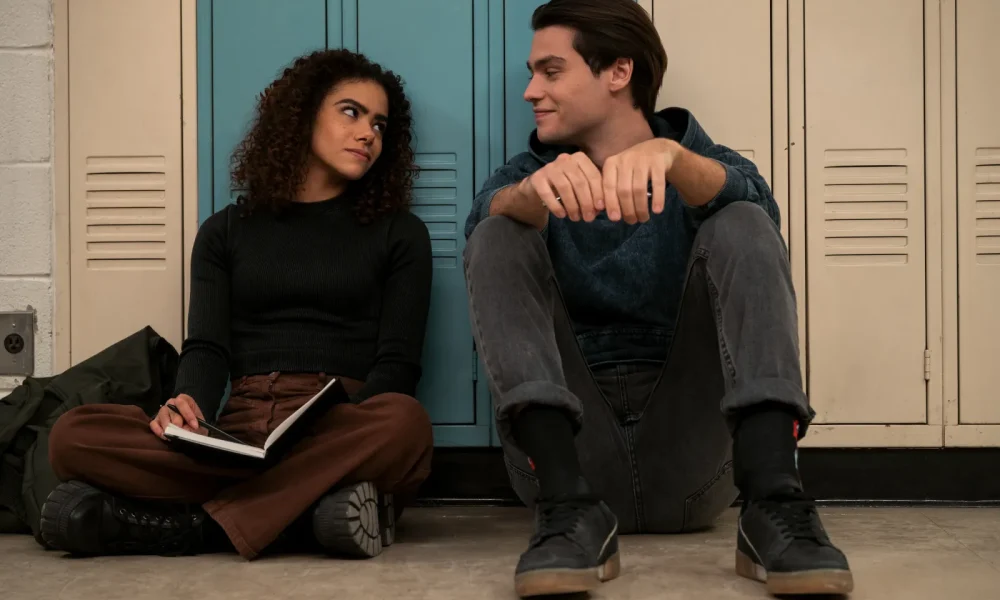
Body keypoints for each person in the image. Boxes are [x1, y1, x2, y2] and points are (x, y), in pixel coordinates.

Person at [463, 0, 852, 597]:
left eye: (550, 70)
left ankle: (774, 499)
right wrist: (528, 196)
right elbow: (480, 220)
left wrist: (672, 160)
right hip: (565, 465)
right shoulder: (525, 170)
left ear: (618, 72)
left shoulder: (705, 161)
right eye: (531, 72)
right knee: (497, 229)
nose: (530, 92)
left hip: (694, 461)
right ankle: (569, 507)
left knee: (741, 218)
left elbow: (758, 209)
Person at [40, 49, 434, 561]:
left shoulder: (400, 234)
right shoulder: (226, 231)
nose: (368, 134)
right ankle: (302, 512)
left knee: (404, 425)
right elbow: (206, 348)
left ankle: (192, 528)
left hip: (336, 425)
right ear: (302, 113)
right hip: (239, 431)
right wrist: (187, 408)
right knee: (73, 435)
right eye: (351, 112)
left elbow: (397, 367)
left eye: (380, 124)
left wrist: (331, 428)